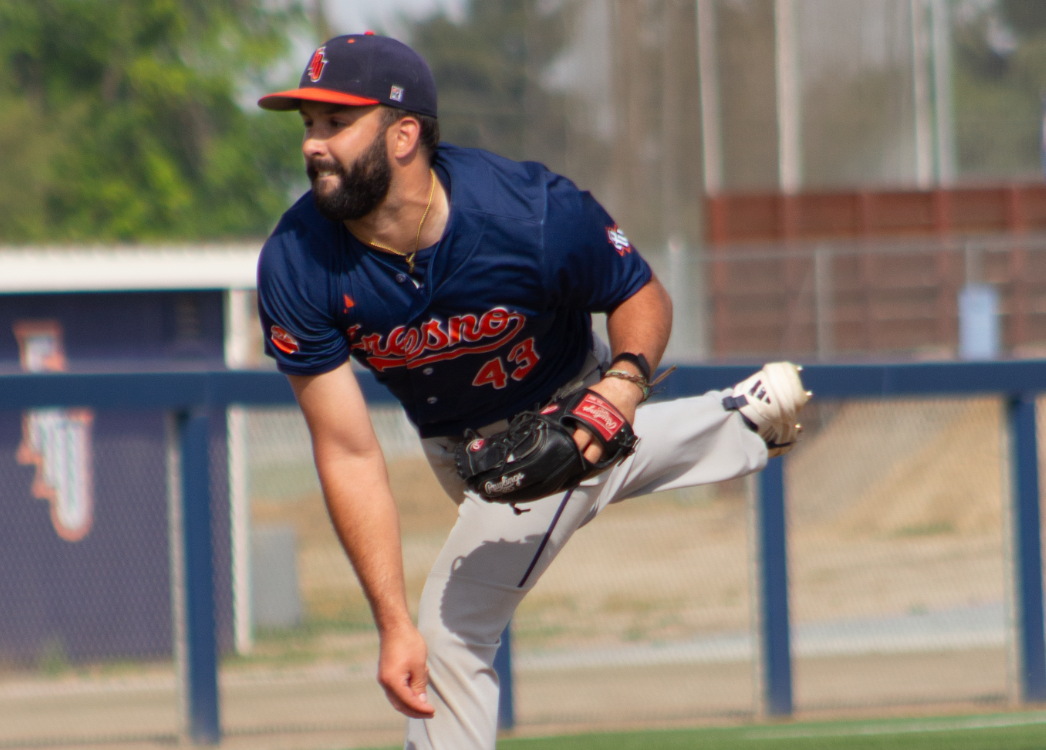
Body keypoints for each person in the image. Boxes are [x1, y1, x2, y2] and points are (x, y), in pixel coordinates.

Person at [255, 33, 808, 749]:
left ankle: (734, 423)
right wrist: (386, 623)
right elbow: (349, 453)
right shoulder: (297, 263)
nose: (313, 145)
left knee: (452, 630)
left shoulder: (527, 213)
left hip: (567, 395)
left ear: (403, 134)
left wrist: (622, 385)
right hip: (455, 446)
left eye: (336, 122)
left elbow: (640, 294)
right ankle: (742, 421)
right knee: (573, 483)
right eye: (307, 125)